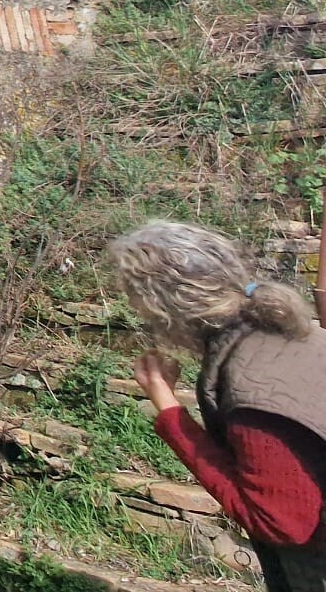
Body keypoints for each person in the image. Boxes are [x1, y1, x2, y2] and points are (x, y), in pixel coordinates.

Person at [112, 220, 326, 591]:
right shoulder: (298, 334)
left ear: (165, 312)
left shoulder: (253, 389)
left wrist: (170, 413)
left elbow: (281, 524)